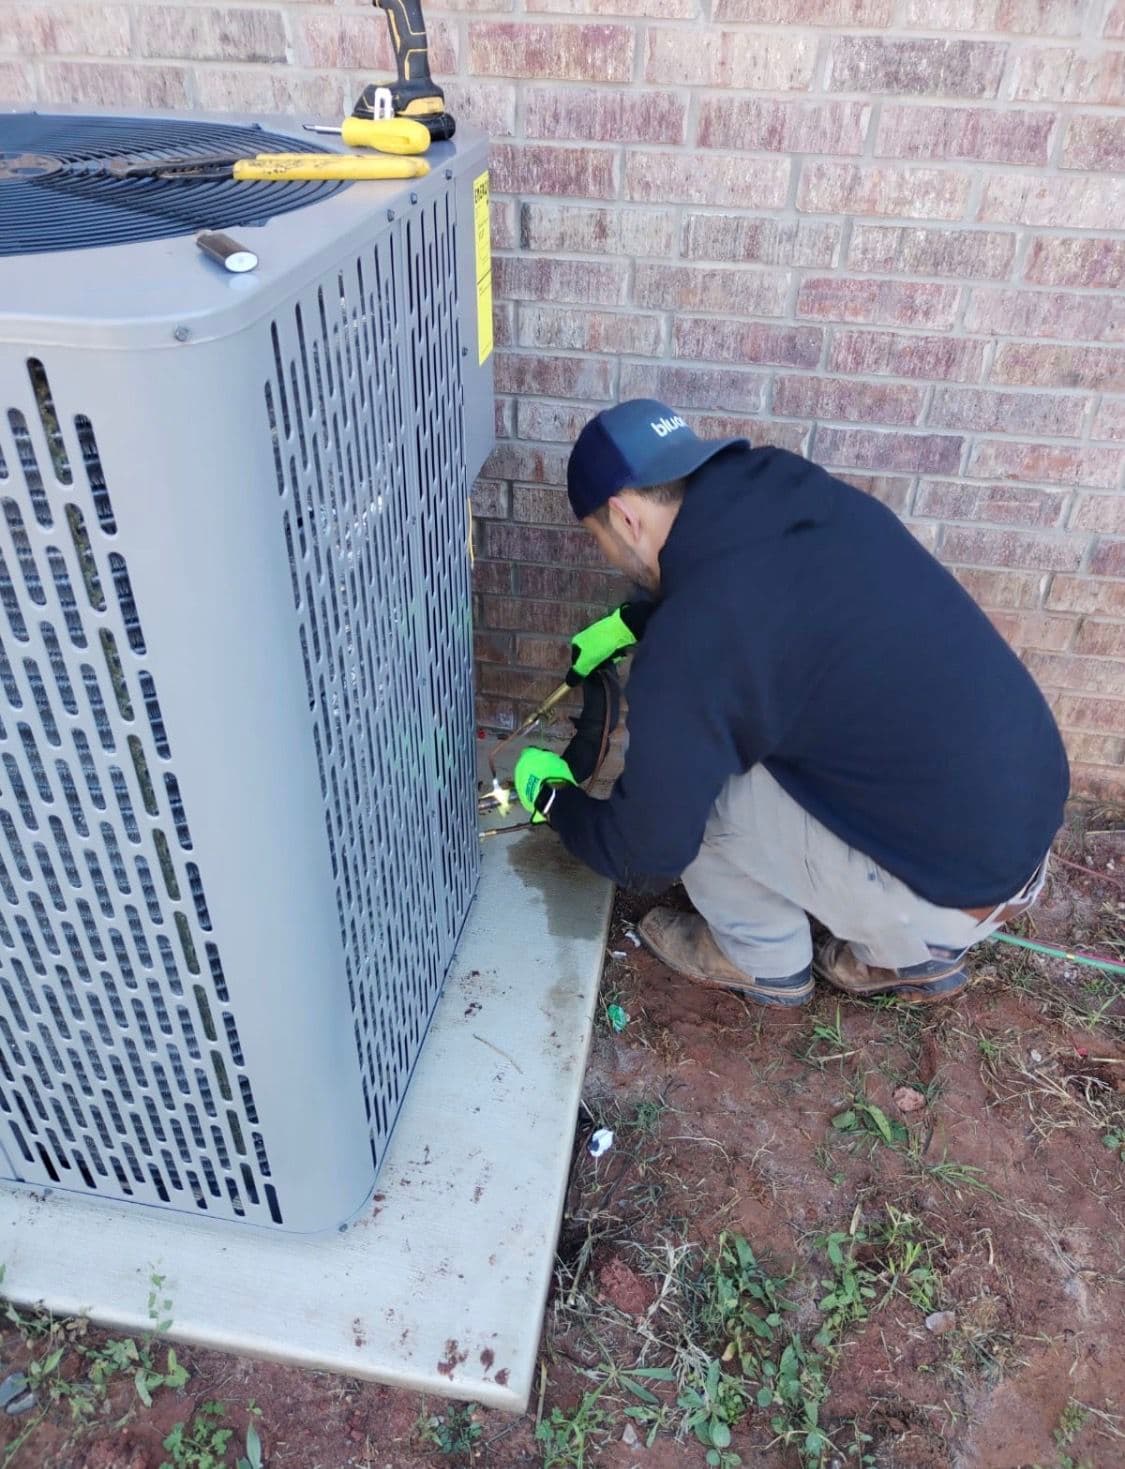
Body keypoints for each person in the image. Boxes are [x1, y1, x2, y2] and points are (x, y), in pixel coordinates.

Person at [513, 399, 1069, 1008]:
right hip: (1020, 828)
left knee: (697, 799)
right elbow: (770, 616)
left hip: (953, 891)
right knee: (732, 736)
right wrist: (641, 619)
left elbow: (643, 852)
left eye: (599, 540)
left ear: (622, 517)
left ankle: (774, 959)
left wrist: (555, 800)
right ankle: (903, 934)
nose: (608, 555)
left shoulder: (693, 644)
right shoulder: (787, 490)